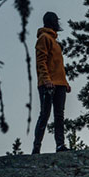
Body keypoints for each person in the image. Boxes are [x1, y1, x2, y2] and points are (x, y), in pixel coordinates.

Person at [34, 11, 71, 153]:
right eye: (56, 20)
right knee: (45, 114)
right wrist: (46, 79)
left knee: (59, 115)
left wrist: (65, 82)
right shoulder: (44, 38)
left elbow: (58, 65)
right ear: (51, 22)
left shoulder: (55, 42)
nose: (58, 23)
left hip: (60, 84)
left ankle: (60, 145)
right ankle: (36, 148)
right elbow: (41, 61)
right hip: (48, 84)